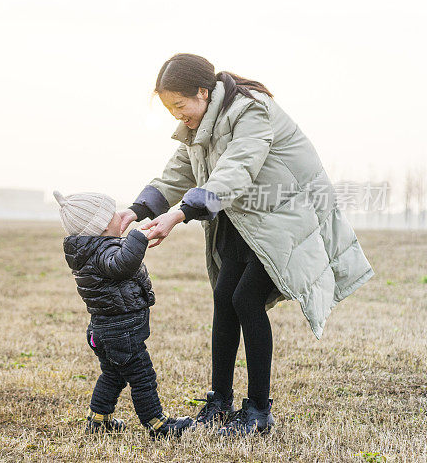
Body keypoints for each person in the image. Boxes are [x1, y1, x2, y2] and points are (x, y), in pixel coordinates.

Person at [119, 54, 374, 436]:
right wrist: (137, 209)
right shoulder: (201, 125)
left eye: (179, 105)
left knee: (246, 299)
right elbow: (180, 170)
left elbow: (237, 169)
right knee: (225, 297)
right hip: (247, 217)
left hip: (286, 215)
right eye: (170, 108)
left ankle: (258, 413)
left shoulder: (251, 111)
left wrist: (180, 214)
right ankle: (219, 402)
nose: (177, 115)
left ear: (203, 92)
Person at [54, 190, 193, 439]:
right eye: (114, 213)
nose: (121, 215)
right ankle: (157, 423)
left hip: (103, 329)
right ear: (102, 225)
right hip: (121, 331)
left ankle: (99, 419)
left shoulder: (89, 251)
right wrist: (137, 238)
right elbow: (122, 265)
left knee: (114, 375)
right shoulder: (103, 253)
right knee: (142, 377)